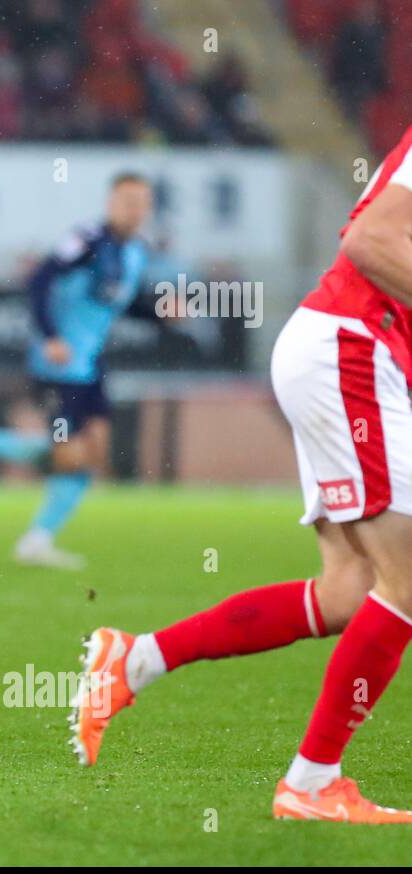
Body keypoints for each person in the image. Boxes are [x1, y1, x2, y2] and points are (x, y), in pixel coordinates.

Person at [75, 124, 412, 824]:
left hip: (348, 354)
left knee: (351, 593)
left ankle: (135, 661)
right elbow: (368, 242)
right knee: (407, 582)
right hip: (348, 347)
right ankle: (312, 783)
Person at [0, 173, 158, 569]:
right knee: (72, 455)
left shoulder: (135, 253)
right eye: (127, 200)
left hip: (90, 365)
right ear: (111, 203)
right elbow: (40, 280)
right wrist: (51, 335)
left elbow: (123, 304)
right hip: (58, 365)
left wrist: (163, 314)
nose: (134, 209)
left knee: (90, 456)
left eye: (141, 202)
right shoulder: (87, 240)